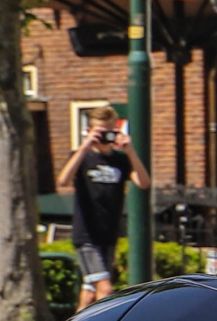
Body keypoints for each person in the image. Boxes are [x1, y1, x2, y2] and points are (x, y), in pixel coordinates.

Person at [57, 108, 149, 308]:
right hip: (87, 236)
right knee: (105, 290)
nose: (104, 137)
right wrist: (85, 146)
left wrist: (129, 150)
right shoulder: (82, 158)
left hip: (108, 234)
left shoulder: (120, 160)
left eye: (109, 132)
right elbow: (63, 180)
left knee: (90, 294)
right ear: (89, 130)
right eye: (100, 132)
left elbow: (143, 182)